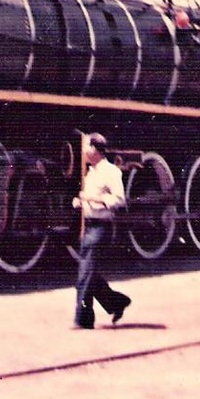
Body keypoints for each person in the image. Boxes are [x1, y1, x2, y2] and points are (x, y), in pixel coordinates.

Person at [71, 133, 131, 330]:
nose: (83, 151)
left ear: (95, 149)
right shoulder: (92, 172)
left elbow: (119, 200)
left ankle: (83, 319)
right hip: (89, 226)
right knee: (89, 273)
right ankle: (117, 302)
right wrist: (81, 202)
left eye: (86, 147)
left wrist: (91, 199)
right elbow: (89, 198)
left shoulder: (111, 172)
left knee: (84, 274)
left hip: (101, 227)